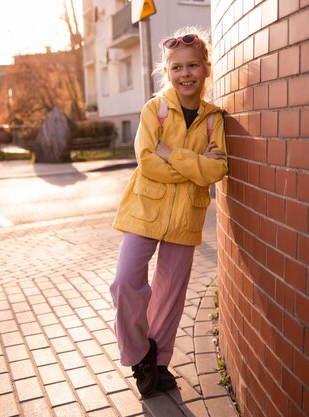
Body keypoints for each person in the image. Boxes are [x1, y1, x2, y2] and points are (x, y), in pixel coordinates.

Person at [110, 27, 228, 399]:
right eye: (177, 68)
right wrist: (195, 164)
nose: (185, 74)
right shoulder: (155, 109)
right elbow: (147, 162)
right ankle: (137, 355)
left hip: (186, 217)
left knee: (170, 292)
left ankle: (157, 365)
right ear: (168, 71)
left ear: (206, 69)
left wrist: (171, 154)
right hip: (145, 209)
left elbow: (217, 170)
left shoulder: (214, 119)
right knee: (125, 281)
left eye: (193, 65)